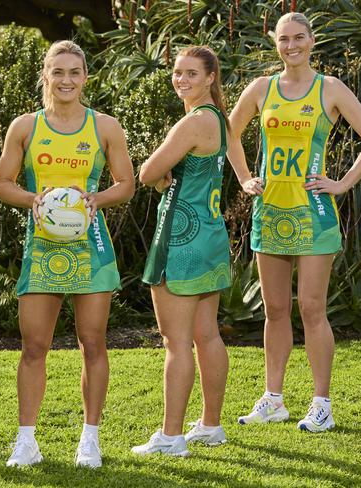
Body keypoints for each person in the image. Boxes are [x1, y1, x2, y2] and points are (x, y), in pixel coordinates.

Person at [228, 12, 361, 432]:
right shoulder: (261, 88)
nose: (291, 45)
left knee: (312, 308)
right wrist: (245, 177)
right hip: (269, 213)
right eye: (284, 39)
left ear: (312, 41)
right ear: (274, 43)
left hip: (313, 216)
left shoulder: (329, 89)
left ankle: (322, 404)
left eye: (299, 37)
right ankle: (274, 398)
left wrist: (343, 183)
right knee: (275, 310)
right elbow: (227, 132)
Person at [0, 40, 134, 468]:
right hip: (42, 251)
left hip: (91, 250)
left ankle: (89, 439)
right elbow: (3, 183)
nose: (67, 80)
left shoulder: (105, 127)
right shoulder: (25, 126)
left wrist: (95, 199)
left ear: (85, 77)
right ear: (46, 76)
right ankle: (26, 441)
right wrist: (33, 199)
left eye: (75, 72)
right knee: (34, 346)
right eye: (58, 72)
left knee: (93, 343)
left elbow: (126, 183)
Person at [131, 46, 232, 457]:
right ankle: (210, 425)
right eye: (177, 72)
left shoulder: (194, 122)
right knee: (206, 334)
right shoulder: (219, 119)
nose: (181, 79)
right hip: (210, 236)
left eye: (191, 73)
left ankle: (172, 437)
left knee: (176, 342)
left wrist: (157, 179)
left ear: (210, 77)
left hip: (182, 239)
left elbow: (147, 172)